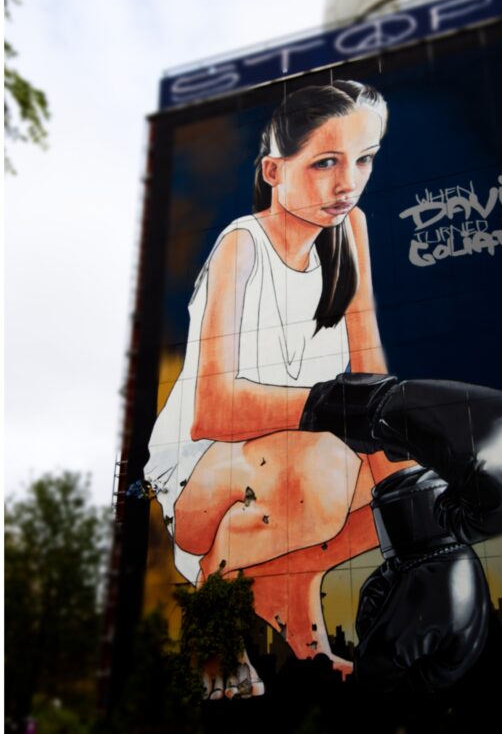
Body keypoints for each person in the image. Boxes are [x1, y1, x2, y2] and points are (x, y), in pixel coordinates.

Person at [144, 80, 415, 689]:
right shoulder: (241, 245)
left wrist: (408, 492)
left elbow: (370, 370)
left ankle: (294, 596)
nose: (348, 183)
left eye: (364, 160)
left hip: (294, 466)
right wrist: (334, 407)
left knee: (416, 483)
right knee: (321, 465)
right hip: (200, 473)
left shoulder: (350, 230)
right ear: (273, 170)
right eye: (325, 162)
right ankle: (215, 610)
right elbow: (211, 409)